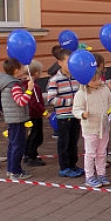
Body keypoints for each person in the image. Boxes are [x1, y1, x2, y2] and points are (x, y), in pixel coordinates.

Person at [73, 69, 111, 188]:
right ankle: (90, 176)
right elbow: (76, 109)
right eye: (93, 80)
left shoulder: (105, 89)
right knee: (90, 153)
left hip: (104, 126)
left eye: (98, 79)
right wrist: (82, 114)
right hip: (90, 128)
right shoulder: (81, 93)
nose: (97, 82)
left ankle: (102, 174)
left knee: (102, 152)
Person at [0, 58, 34, 180]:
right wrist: (29, 90)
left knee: (13, 145)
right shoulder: (14, 85)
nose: (23, 69)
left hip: (13, 118)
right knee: (18, 146)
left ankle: (11, 169)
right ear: (16, 70)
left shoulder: (8, 83)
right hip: (17, 119)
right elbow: (21, 101)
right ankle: (16, 171)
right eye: (21, 68)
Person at [47, 49, 83, 178]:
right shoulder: (55, 80)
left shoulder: (77, 77)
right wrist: (70, 102)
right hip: (63, 117)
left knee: (73, 142)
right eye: (68, 62)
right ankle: (64, 167)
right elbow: (51, 99)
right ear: (60, 62)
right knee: (64, 143)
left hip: (75, 115)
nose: (71, 64)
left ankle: (73, 165)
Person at [24, 60, 46, 167]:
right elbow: (34, 103)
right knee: (36, 136)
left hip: (28, 115)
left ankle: (29, 153)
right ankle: (31, 156)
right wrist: (44, 112)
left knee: (31, 135)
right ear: (36, 73)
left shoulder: (23, 84)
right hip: (34, 115)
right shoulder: (34, 87)